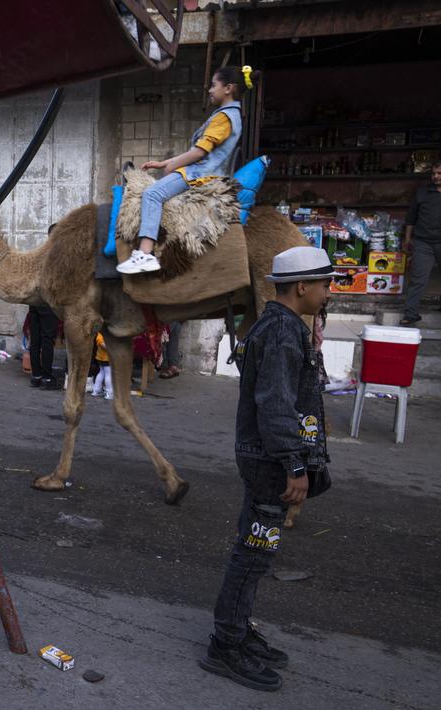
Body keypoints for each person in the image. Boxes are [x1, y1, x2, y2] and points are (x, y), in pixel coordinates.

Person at [201, 246, 334, 692]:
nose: (328, 293)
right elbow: (275, 405)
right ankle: (226, 643)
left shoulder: (283, 326)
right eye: (324, 284)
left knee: (258, 551)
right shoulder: (280, 331)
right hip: (270, 463)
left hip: (267, 459)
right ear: (302, 286)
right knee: (254, 552)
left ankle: (237, 630)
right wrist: (295, 465)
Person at [118, 66, 257, 275]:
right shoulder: (231, 115)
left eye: (213, 85)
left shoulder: (223, 117)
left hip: (200, 175)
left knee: (152, 194)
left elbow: (199, 152)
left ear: (228, 88)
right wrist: (164, 163)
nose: (209, 90)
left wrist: (173, 166)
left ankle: (144, 253)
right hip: (204, 171)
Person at [399, 161, 441, 326]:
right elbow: (411, 218)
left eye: (439, 173)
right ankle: (410, 314)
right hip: (423, 242)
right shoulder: (422, 193)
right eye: (433, 173)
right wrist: (407, 240)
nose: (435, 176)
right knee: (418, 279)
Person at [24, 305, 60, 389]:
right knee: (47, 340)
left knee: (35, 340)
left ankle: (36, 376)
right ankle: (47, 378)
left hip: (34, 304)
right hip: (47, 304)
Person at [91, 332, 113, 400]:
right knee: (108, 374)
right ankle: (109, 392)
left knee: (101, 373)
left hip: (100, 358)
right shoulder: (106, 334)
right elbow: (103, 345)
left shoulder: (100, 333)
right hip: (107, 358)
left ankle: (96, 390)